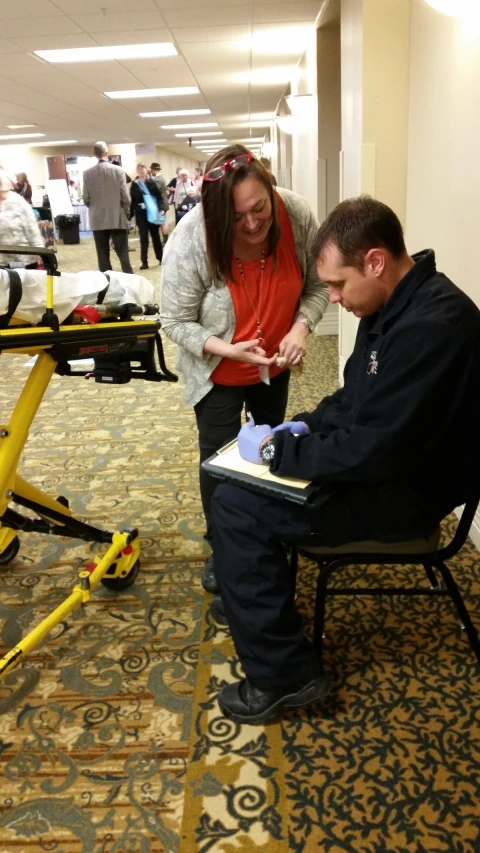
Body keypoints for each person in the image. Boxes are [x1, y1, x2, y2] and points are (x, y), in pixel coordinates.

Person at [208, 195, 480, 725]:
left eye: (337, 284)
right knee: (240, 493)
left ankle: (285, 676)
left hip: (406, 496)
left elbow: (373, 451)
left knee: (237, 506)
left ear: (375, 261)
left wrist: (275, 450)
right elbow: (354, 401)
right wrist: (306, 423)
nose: (331, 299)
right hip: (385, 468)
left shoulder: (432, 328)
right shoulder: (395, 306)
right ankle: (256, 597)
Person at [160, 144, 329, 597]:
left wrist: (300, 329)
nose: (253, 224)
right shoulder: (193, 237)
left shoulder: (295, 214)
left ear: (272, 192)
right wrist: (230, 350)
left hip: (274, 365)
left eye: (259, 208)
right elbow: (173, 320)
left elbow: (316, 287)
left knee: (270, 448)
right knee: (218, 460)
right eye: (238, 218)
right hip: (216, 370)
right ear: (218, 215)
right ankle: (224, 545)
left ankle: (265, 529)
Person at [82, 141, 133, 274]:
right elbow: (125, 197)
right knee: (123, 254)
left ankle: (107, 283)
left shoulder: (87, 173)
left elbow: (85, 198)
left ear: (94, 154)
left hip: (97, 220)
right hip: (117, 217)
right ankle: (130, 280)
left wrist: (95, 208)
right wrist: (126, 212)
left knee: (102, 255)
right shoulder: (119, 171)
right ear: (107, 153)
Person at [0, 169, 44, 267]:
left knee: (19, 281)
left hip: (21, 258)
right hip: (1, 261)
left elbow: (31, 227)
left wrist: (40, 250)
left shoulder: (16, 201)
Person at [130, 163, 164, 270]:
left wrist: (161, 209)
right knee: (143, 238)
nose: (141, 171)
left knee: (155, 237)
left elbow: (159, 197)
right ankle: (144, 262)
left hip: (152, 213)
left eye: (142, 169)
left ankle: (160, 258)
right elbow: (133, 201)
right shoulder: (135, 184)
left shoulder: (151, 183)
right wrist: (130, 215)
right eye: (139, 169)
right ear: (137, 171)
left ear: (146, 170)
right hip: (140, 214)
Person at [150, 161, 170, 245]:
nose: (151, 172)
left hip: (160, 205)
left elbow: (154, 191)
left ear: (154, 170)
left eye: (151, 170)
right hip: (161, 204)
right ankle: (166, 240)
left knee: (162, 223)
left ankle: (166, 241)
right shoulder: (159, 178)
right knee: (162, 222)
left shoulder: (158, 179)